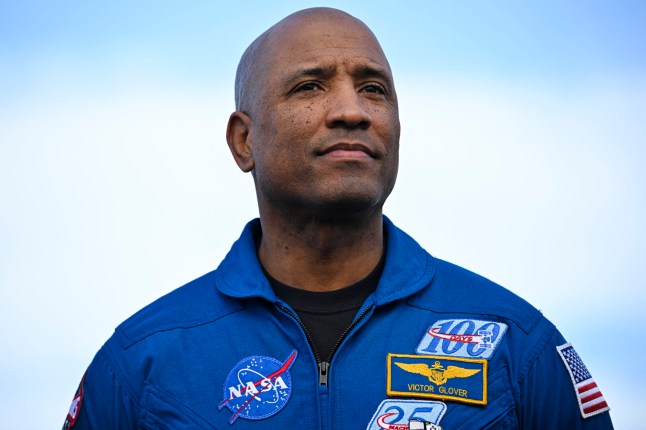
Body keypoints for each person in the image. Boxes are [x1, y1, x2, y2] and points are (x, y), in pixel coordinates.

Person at [64, 7, 613, 429]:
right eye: (310, 86)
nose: (353, 110)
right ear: (244, 141)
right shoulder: (142, 362)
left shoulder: (516, 343)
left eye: (374, 89)